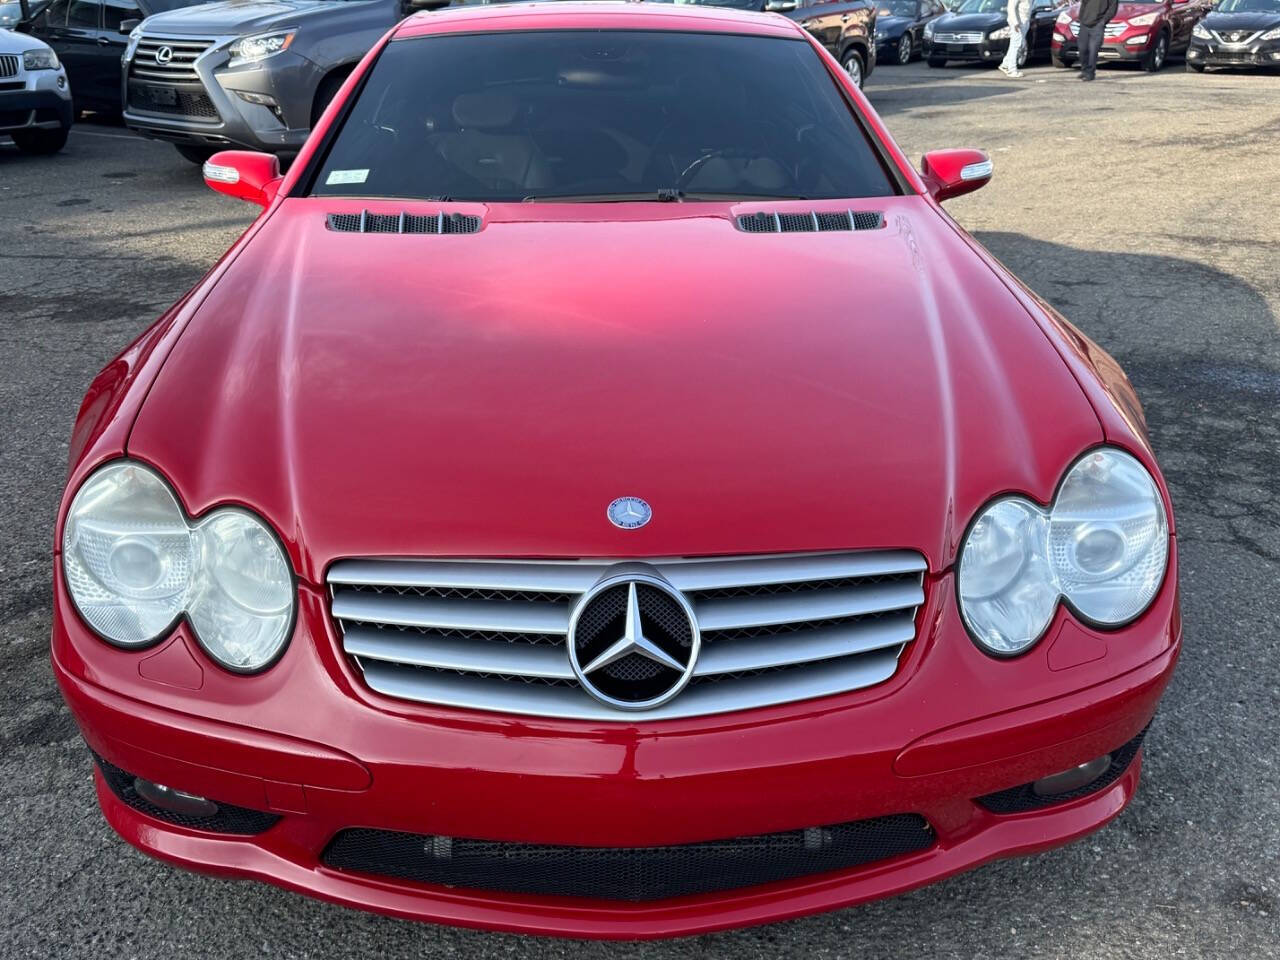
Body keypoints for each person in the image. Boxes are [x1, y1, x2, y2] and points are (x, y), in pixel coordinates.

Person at [1076, 0, 1119, 81]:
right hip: (1084, 24)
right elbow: (1084, 4)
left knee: (1093, 50)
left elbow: (1112, 9)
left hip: (1097, 26)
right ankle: (1084, 70)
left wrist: (1103, 22)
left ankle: (1090, 73)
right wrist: (1081, 19)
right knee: (1082, 49)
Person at [999, 0, 1032, 78]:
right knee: (1016, 45)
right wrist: (1015, 23)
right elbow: (1011, 8)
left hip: (1024, 22)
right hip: (1017, 24)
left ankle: (1005, 64)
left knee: (1015, 44)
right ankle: (1012, 70)